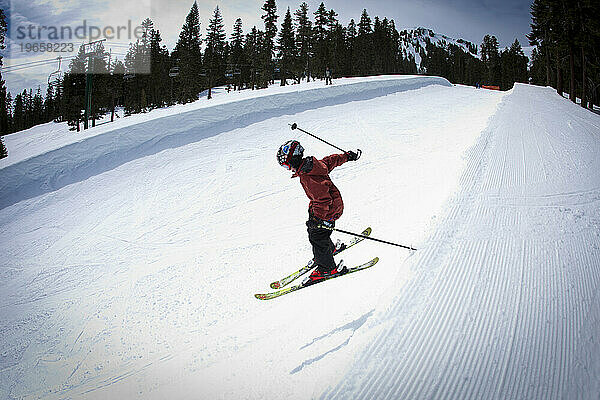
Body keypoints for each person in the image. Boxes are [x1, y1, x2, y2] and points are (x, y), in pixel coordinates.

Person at [276, 140, 360, 285]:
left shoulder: (308, 176)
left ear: (292, 160)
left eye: (285, 164)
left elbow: (323, 200)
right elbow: (330, 161)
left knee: (317, 237)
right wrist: (347, 156)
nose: (287, 168)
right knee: (316, 231)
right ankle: (329, 250)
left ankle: (327, 268)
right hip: (327, 207)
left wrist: (318, 220)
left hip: (328, 209)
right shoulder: (312, 165)